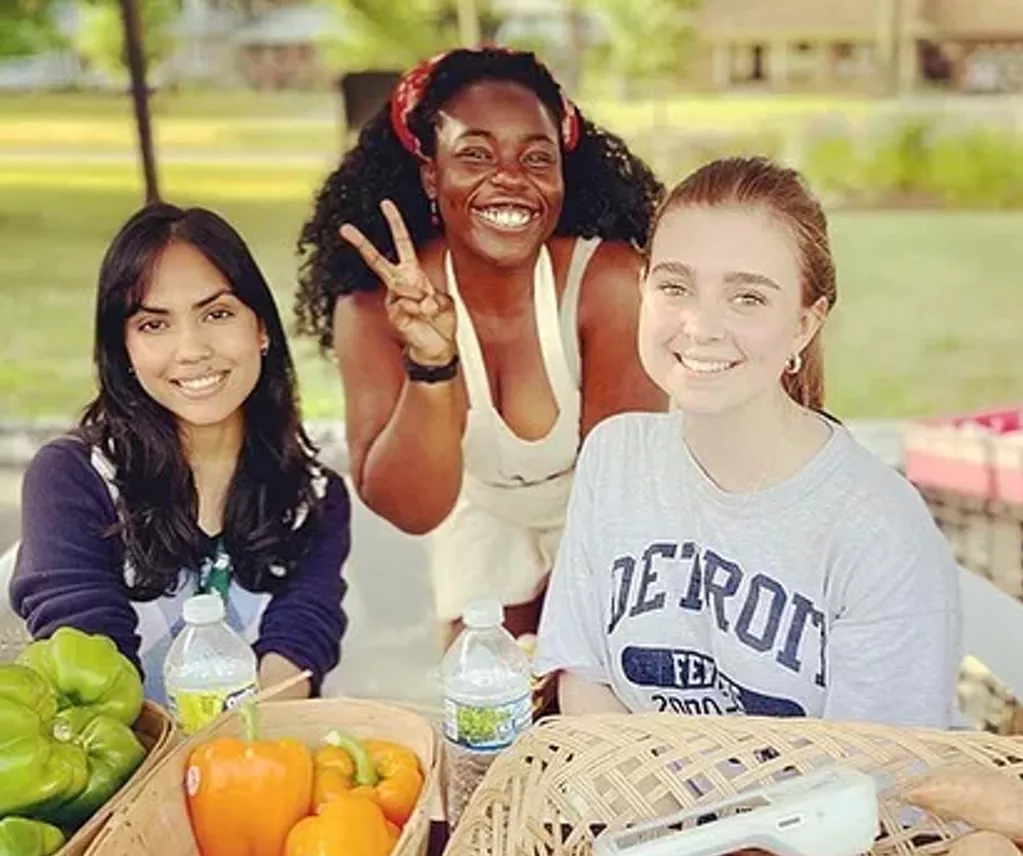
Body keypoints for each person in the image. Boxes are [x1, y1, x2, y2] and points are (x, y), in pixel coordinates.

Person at [533, 157, 963, 727]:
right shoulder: (616, 459)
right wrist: (657, 812)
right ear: (644, 289)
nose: (701, 325)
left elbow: (876, 777)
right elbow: (585, 684)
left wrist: (710, 818)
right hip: (634, 809)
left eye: (748, 298)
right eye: (675, 286)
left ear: (805, 325)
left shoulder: (877, 526)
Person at [295, 47, 668, 645]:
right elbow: (411, 509)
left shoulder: (609, 284)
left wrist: (562, 647)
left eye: (536, 157)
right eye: (475, 153)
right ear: (430, 174)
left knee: (588, 697)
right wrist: (431, 363)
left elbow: (622, 496)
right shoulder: (373, 307)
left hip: (608, 518)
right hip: (481, 514)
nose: (510, 178)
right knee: (484, 703)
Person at [10, 204, 351, 703]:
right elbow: (93, 669)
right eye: (153, 324)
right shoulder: (74, 479)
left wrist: (243, 752)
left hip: (255, 763)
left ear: (261, 330)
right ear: (121, 348)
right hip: (123, 763)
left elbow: (300, 639)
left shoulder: (314, 497)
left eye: (217, 313)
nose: (191, 349)